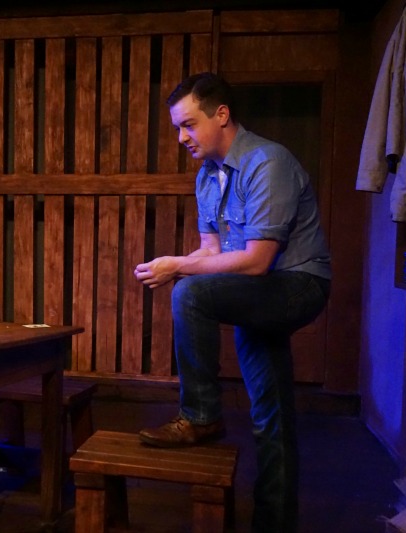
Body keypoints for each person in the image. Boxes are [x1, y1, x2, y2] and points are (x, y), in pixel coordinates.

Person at [133, 73, 331, 533]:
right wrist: (176, 262)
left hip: (297, 284)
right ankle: (274, 523)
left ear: (221, 115)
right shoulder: (207, 176)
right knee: (271, 415)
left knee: (192, 291)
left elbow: (258, 260)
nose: (182, 137)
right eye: (177, 129)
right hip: (256, 293)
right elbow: (213, 253)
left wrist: (178, 270)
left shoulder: (267, 161)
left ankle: (201, 415)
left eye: (188, 124)